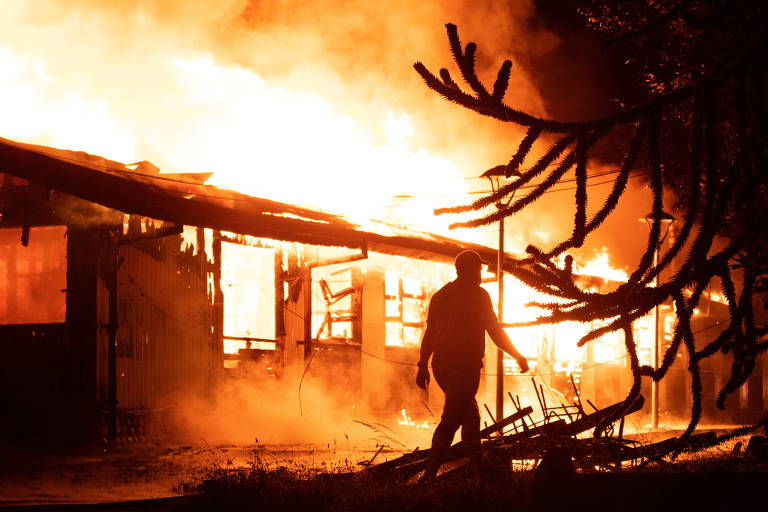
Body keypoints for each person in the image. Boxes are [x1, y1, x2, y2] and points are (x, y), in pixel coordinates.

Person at [416, 250, 529, 483]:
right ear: (467, 270)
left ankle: (480, 474)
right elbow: (495, 331)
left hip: (442, 367)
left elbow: (430, 333)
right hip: (464, 367)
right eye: (478, 269)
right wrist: (517, 355)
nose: (480, 273)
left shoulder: (440, 296)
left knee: (470, 416)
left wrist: (423, 364)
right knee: (452, 419)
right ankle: (428, 476)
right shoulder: (479, 296)